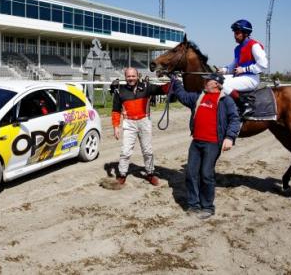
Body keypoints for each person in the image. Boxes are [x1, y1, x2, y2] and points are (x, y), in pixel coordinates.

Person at [171, 73, 240, 219]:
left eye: (208, 81)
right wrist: (175, 82)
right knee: (190, 173)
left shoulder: (226, 100)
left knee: (206, 174)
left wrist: (229, 137)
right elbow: (183, 96)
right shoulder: (199, 96)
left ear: (216, 84)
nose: (205, 82)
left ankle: (208, 207)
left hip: (213, 143)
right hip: (196, 142)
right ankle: (194, 204)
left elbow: (235, 119)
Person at [111, 67, 171, 186]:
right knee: (125, 152)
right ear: (125, 77)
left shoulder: (146, 86)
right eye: (128, 76)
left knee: (147, 151)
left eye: (133, 76)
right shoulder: (120, 91)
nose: (131, 78)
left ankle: (150, 173)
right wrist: (116, 127)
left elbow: (162, 89)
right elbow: (115, 110)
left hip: (144, 121)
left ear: (137, 76)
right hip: (129, 123)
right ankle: (122, 174)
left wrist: (172, 81)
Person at [217, 19, 268, 115]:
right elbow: (233, 66)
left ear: (245, 33)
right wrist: (223, 70)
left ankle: (246, 104)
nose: (235, 36)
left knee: (224, 84)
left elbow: (263, 64)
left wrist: (244, 69)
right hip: (240, 77)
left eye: (237, 33)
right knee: (216, 80)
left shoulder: (254, 45)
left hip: (251, 79)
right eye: (234, 33)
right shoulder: (237, 48)